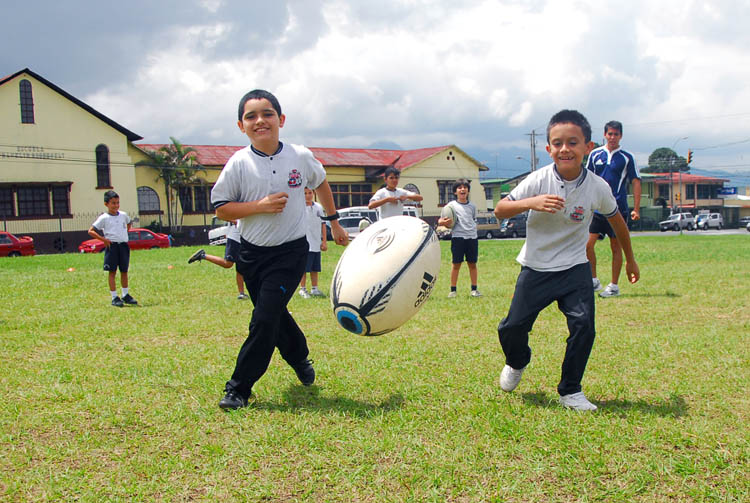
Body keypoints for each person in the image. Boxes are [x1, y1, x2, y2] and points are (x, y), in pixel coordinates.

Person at [210, 89, 348, 410]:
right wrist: (258, 206)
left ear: (281, 119)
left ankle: (238, 388)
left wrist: (334, 222)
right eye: (251, 116)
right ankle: (299, 357)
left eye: (268, 114)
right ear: (241, 125)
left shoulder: (299, 156)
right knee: (272, 316)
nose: (260, 121)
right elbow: (222, 209)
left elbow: (322, 182)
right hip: (251, 254)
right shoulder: (238, 164)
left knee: (263, 320)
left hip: (290, 253)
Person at [493, 110, 640, 411]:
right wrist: (531, 202)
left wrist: (630, 260)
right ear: (548, 149)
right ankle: (517, 360)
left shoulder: (597, 187)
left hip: (575, 268)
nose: (564, 149)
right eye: (557, 143)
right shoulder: (538, 179)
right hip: (536, 268)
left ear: (588, 146)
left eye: (573, 142)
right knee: (512, 328)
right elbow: (500, 209)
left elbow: (617, 221)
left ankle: (570, 390)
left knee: (584, 326)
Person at [585, 120, 641, 298]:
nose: (612, 137)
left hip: (617, 208)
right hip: (596, 208)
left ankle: (614, 286)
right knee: (587, 244)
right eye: (610, 134)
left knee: (616, 247)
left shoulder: (626, 157)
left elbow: (636, 181)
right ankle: (593, 280)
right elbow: (587, 178)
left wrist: (636, 208)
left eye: (616, 134)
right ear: (604, 135)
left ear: (621, 136)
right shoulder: (595, 155)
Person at [87, 190, 138, 307]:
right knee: (112, 271)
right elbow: (91, 231)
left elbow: (129, 223)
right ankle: (114, 296)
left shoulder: (124, 215)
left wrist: (124, 233)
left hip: (123, 245)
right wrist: (104, 240)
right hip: (112, 246)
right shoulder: (104, 218)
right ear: (106, 204)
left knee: (124, 271)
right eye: (113, 203)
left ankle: (125, 294)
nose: (115, 205)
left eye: (117, 203)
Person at [438, 178, 482, 298]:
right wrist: (443, 222)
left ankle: (474, 289)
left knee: (472, 264)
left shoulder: (472, 206)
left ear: (468, 191)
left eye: (465, 187)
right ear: (455, 192)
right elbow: (441, 220)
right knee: (456, 264)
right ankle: (453, 290)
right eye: (459, 187)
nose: (462, 189)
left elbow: (473, 219)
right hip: (458, 238)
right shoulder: (450, 206)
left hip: (472, 238)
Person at [187, 221, 249, 300]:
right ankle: (203, 255)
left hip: (244, 238)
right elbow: (225, 214)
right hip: (235, 238)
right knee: (227, 264)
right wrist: (235, 221)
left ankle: (242, 293)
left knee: (241, 265)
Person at [298, 188, 328, 298]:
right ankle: (303, 288)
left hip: (316, 243)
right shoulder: (299, 208)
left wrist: (324, 241)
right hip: (305, 243)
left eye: (310, 193)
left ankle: (314, 288)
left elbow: (323, 224)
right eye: (305, 193)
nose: (308, 195)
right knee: (304, 268)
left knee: (315, 268)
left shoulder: (318, 207)